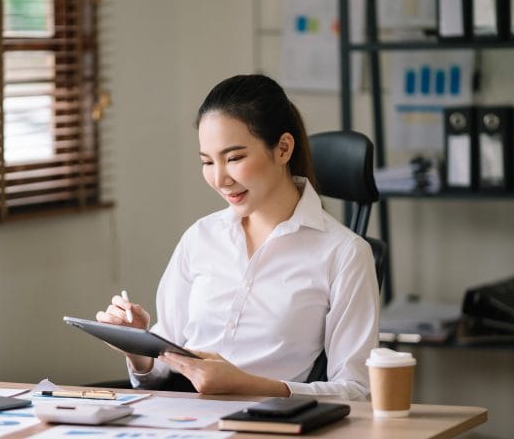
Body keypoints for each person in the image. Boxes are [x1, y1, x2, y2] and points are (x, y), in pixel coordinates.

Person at [96, 74, 379, 400]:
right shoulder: (200, 237)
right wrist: (137, 347)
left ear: (283, 148)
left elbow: (357, 391)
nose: (219, 179)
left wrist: (247, 384)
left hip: (265, 425)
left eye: (234, 158)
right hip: (176, 419)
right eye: (207, 162)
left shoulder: (344, 254)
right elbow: (158, 371)